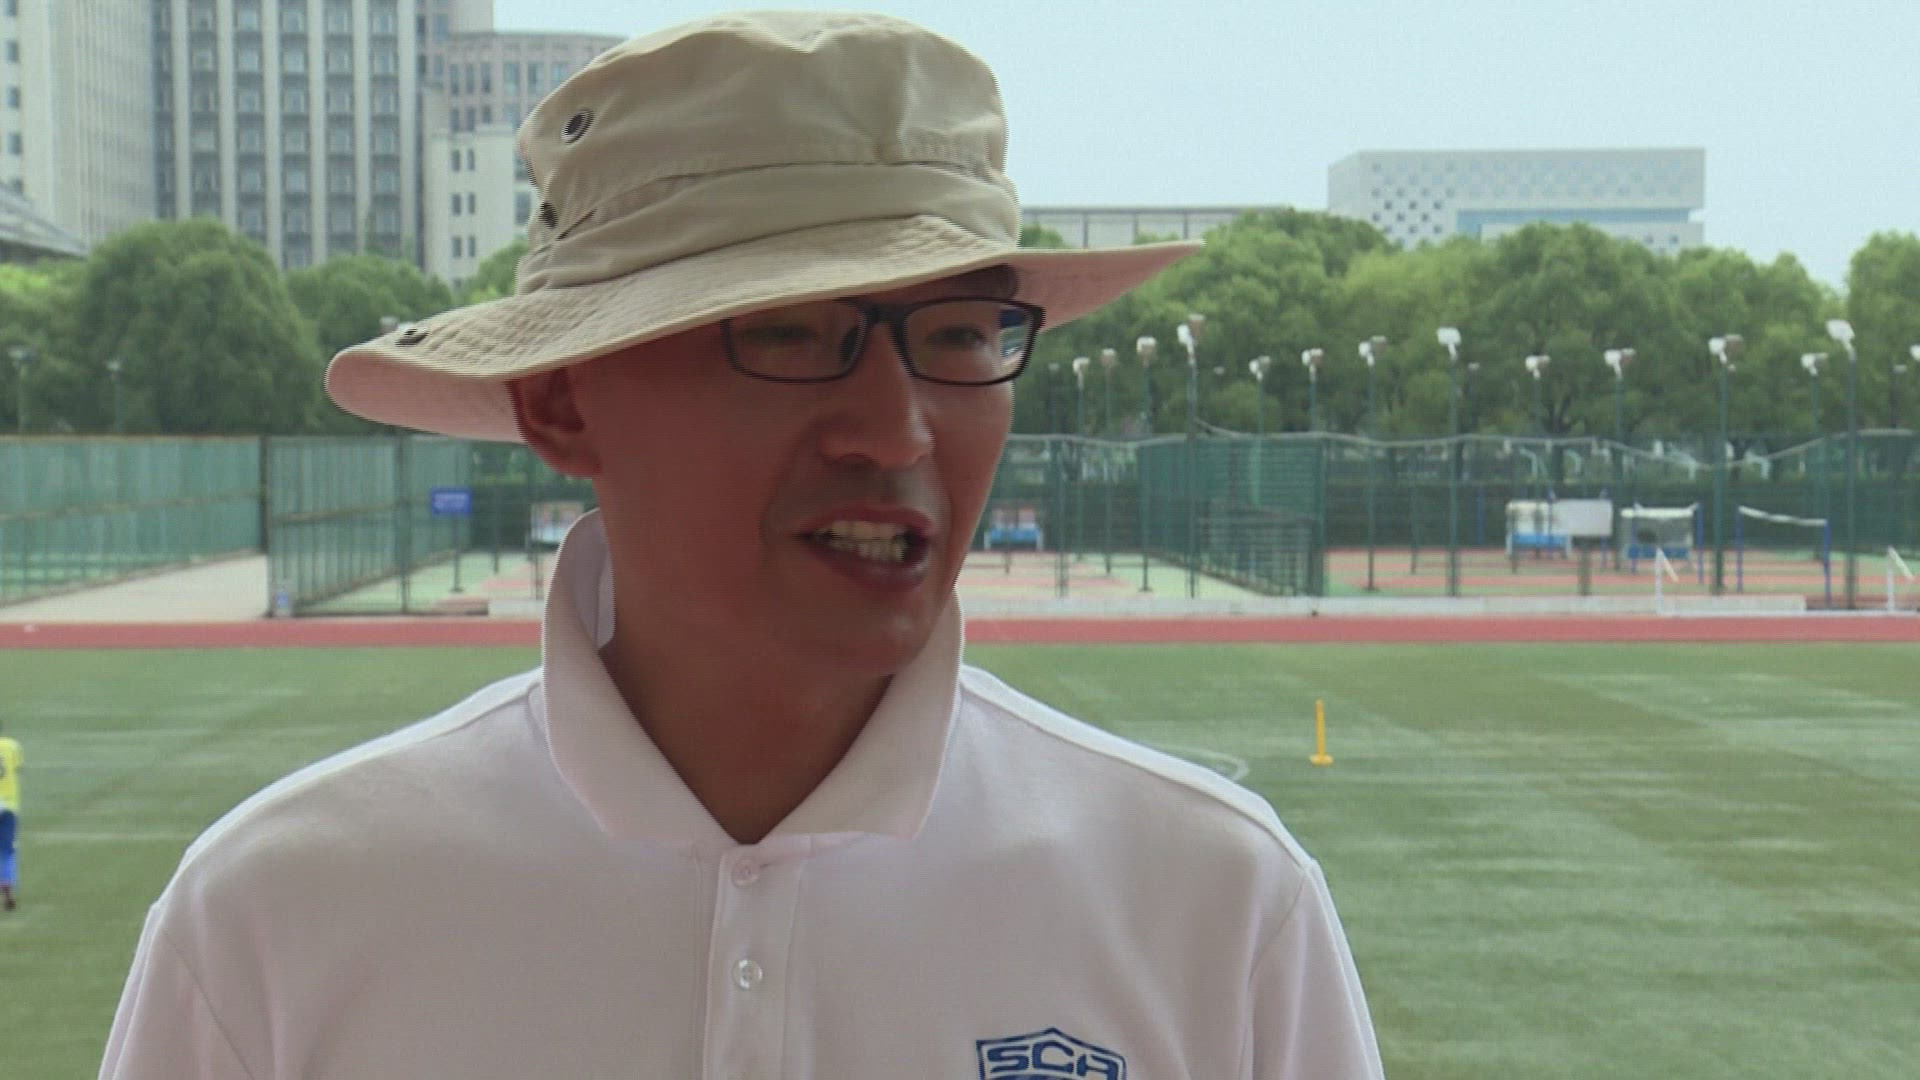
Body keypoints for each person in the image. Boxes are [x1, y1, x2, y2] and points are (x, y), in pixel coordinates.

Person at [100, 12, 1384, 1079]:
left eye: (957, 335)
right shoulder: (279, 920)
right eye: (786, 332)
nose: (895, 430)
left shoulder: (1216, 907)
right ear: (561, 403)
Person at [0, 718, 19, 911]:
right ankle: (7, 888)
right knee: (6, 850)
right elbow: (18, 767)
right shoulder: (12, 745)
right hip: (9, 805)